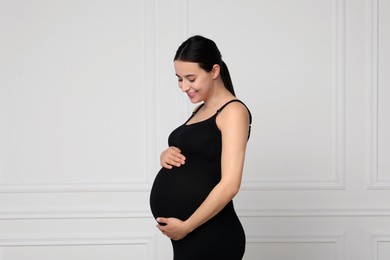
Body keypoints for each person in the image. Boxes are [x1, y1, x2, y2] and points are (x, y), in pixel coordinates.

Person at [149, 35, 252, 260]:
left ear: (214, 71)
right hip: (190, 237)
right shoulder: (202, 109)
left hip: (211, 235)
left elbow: (230, 184)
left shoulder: (233, 112)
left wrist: (187, 226)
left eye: (191, 78)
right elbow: (200, 156)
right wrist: (166, 155)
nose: (184, 87)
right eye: (179, 79)